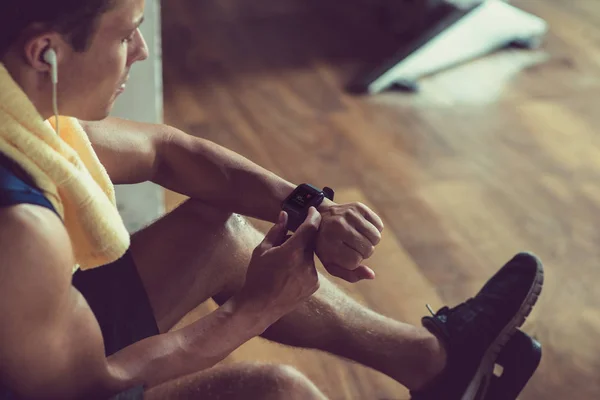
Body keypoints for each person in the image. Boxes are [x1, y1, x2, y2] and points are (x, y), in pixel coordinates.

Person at [0, 1, 544, 399]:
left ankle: (441, 365)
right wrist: (253, 309)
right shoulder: (21, 230)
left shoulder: (17, 119)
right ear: (43, 52)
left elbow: (165, 151)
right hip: (59, 383)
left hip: (37, 346)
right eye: (125, 36)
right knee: (279, 393)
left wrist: (311, 208)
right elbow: (85, 387)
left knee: (217, 234)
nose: (140, 52)